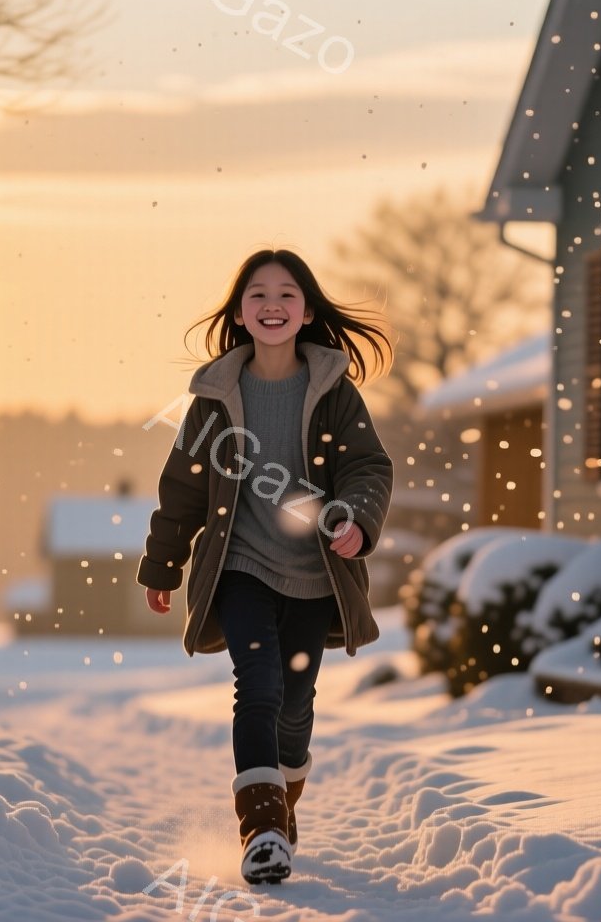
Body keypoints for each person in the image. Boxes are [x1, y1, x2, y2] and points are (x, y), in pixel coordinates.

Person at [137, 248, 394, 885]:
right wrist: (163, 565)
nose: (271, 305)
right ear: (239, 313)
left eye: (286, 294)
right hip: (239, 567)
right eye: (257, 294)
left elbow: (367, 466)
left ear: (306, 312)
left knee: (295, 708)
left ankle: (281, 805)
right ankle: (263, 829)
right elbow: (183, 489)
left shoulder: (333, 391)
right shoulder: (214, 398)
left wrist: (356, 520)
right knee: (258, 686)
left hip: (313, 575)